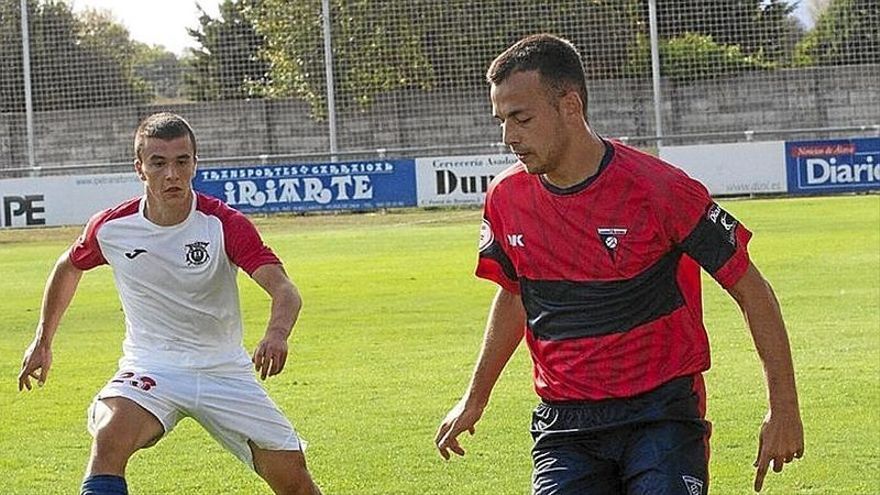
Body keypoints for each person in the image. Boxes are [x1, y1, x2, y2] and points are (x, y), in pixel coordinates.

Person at [435, 34, 804, 494]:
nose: (509, 137)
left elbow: (751, 288)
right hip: (565, 425)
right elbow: (515, 295)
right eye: (501, 121)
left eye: (521, 118)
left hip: (661, 415)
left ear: (570, 106)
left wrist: (783, 407)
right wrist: (475, 398)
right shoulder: (506, 197)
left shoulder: (660, 189)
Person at [18, 112, 321, 495]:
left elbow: (283, 288)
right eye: (158, 163)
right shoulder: (111, 228)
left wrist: (277, 333)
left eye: (182, 161)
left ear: (195, 163)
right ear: (140, 168)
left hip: (223, 370)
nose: (172, 174)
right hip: (152, 366)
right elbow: (68, 265)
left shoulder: (223, 224)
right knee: (110, 435)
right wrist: (43, 340)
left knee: (294, 481)